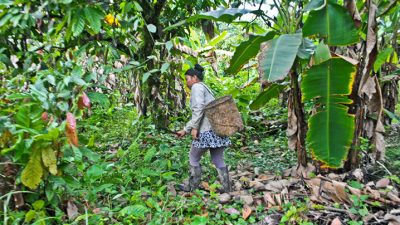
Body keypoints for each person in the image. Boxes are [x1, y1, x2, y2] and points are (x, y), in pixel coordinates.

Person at [176, 64, 231, 193]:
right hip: (217, 129)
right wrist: (185, 129)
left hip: (206, 130)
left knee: (193, 157)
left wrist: (194, 128)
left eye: (187, 79)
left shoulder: (197, 87)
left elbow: (199, 109)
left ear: (194, 77)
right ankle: (226, 187)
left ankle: (192, 187)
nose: (186, 82)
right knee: (217, 159)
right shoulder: (205, 88)